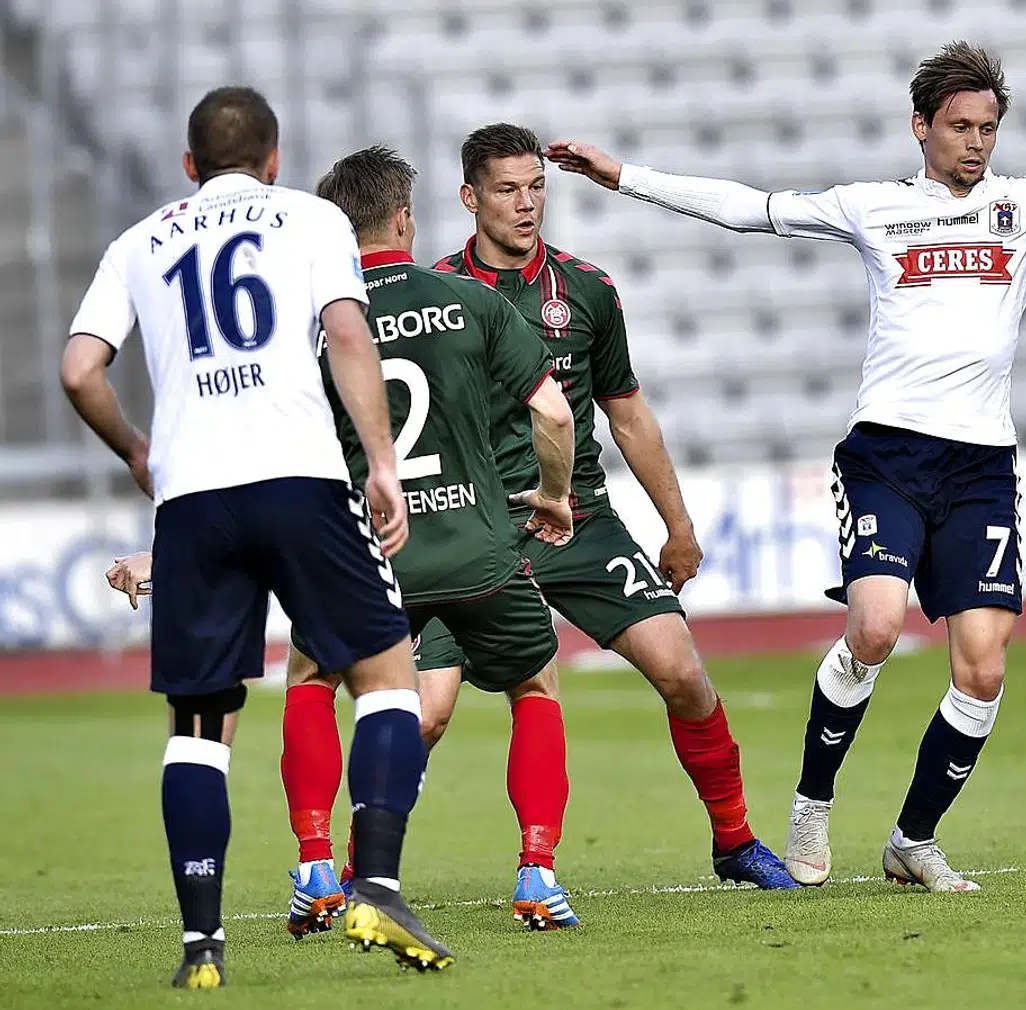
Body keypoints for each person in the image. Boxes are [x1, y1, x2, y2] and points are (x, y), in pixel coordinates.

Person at [546, 42, 1026, 891]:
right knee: (878, 626)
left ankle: (912, 841)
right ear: (920, 127)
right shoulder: (872, 208)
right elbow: (749, 209)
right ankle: (812, 802)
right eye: (960, 126)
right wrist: (623, 175)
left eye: (989, 128)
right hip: (886, 452)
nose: (976, 143)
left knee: (984, 665)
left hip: (981, 466)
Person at [61, 88, 452, 988]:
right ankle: (378, 889)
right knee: (387, 677)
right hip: (300, 482)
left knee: (199, 728)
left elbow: (80, 369)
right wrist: (383, 461)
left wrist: (133, 449)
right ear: (274, 160)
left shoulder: (139, 242)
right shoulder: (312, 220)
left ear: (189, 165)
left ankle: (201, 948)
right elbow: (347, 332)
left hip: (194, 502)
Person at [429, 123, 798, 890]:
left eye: (537, 187)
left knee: (682, 672)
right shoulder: (439, 297)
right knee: (427, 714)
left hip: (582, 525)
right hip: (475, 528)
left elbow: (626, 412)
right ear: (470, 197)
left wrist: (679, 526)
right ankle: (365, 871)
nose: (527, 204)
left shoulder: (587, 289)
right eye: (507, 189)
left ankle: (734, 843)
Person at [282, 144, 582, 933]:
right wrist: (553, 498)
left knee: (312, 681)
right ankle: (538, 875)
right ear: (406, 218)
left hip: (370, 555)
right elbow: (553, 411)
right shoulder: (471, 302)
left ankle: (317, 868)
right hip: (478, 550)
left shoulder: (314, 326)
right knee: (535, 689)